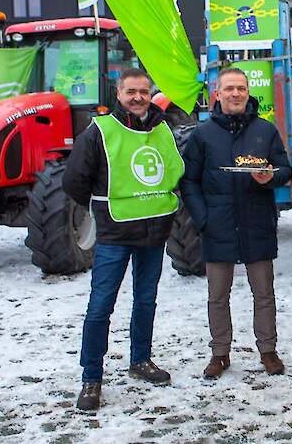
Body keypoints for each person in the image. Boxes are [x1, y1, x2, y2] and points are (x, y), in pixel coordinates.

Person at [63, 68, 183, 411]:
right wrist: (101, 208)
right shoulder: (99, 131)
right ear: (118, 94)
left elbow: (175, 170)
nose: (138, 98)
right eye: (131, 91)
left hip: (154, 231)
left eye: (143, 91)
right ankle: (91, 377)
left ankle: (140, 359)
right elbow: (74, 180)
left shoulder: (162, 129)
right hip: (115, 233)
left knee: (146, 300)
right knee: (101, 306)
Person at [179, 67, 292, 380]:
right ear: (217, 93)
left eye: (241, 88)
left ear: (248, 92)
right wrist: (203, 218)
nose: (235, 94)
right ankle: (219, 353)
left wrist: (271, 177)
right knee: (217, 295)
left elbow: (285, 170)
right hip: (218, 223)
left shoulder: (264, 130)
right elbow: (189, 181)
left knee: (264, 293)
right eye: (229, 88)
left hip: (257, 220)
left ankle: (268, 350)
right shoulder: (203, 134)